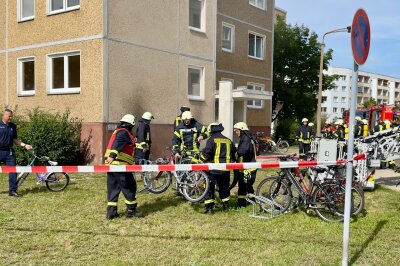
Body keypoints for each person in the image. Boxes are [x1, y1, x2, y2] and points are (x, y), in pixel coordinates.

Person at [104, 114, 143, 220]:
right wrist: (112, 155)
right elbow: (117, 144)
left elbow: (128, 145)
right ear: (130, 125)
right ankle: (131, 210)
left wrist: (140, 146)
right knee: (129, 187)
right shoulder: (123, 132)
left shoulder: (118, 131)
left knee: (113, 188)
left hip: (112, 166)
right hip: (120, 165)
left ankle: (111, 213)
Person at [200, 123, 235, 215]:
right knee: (224, 187)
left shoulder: (211, 140)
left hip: (213, 169)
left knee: (209, 187)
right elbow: (234, 153)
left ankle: (210, 209)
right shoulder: (228, 140)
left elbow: (207, 153)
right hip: (226, 169)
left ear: (211, 130)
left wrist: (200, 159)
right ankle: (226, 205)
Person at [0, 109, 32, 197]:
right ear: (4, 115)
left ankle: (12, 191)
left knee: (13, 170)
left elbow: (15, 139)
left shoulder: (12, 126)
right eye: (9, 116)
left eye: (11, 116)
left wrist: (24, 145)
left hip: (9, 152)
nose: (10, 118)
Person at [233, 122, 257, 208]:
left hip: (247, 168)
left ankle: (241, 204)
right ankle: (252, 201)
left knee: (243, 186)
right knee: (248, 186)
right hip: (249, 167)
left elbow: (242, 151)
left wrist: (235, 153)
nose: (236, 132)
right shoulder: (248, 137)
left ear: (242, 130)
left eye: (237, 130)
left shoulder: (246, 139)